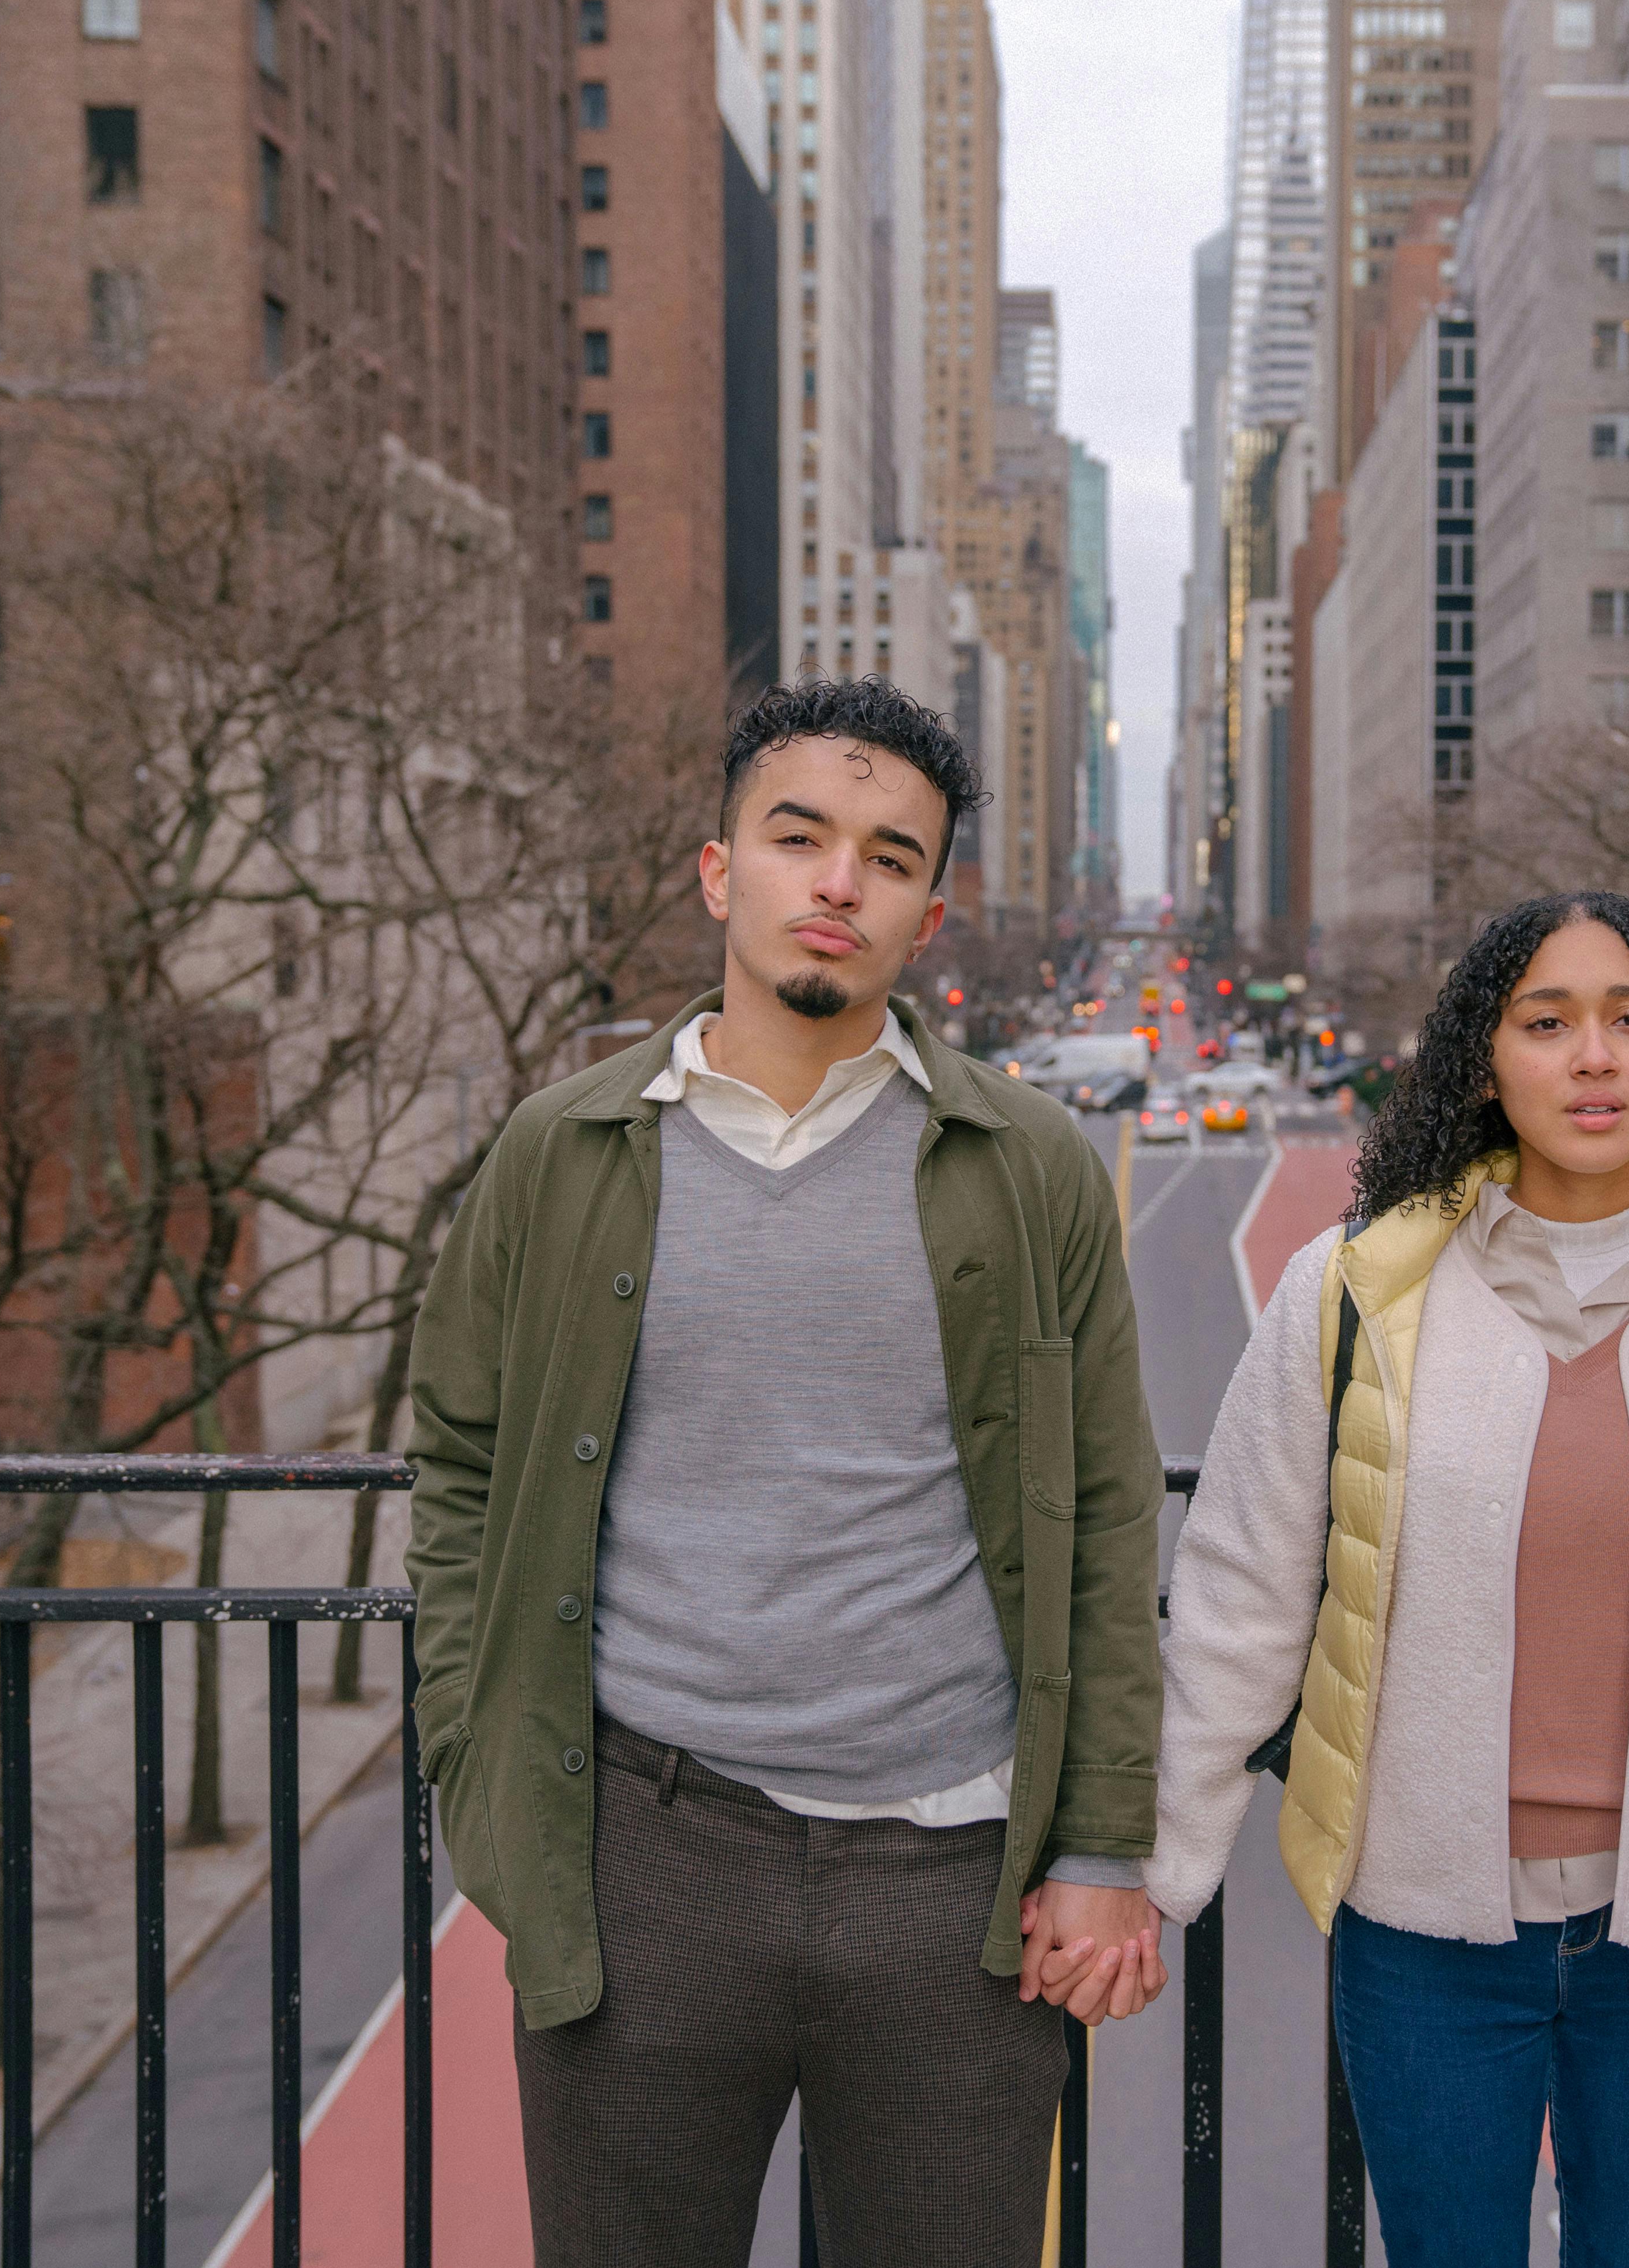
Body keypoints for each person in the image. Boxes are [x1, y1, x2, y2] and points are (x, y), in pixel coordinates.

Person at [405, 677, 1169, 2267]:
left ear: (929, 912)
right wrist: (484, 1792)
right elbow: (461, 1473)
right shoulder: (559, 1154)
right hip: (647, 1860)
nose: (839, 881)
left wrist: (1098, 1849)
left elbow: (1102, 1514)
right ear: (717, 870)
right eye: (799, 835)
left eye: (888, 856)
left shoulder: (1027, 1169)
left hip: (955, 1882)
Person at [1131, 890, 1629, 2264]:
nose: (1593, 1057)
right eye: (1546, 1023)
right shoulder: (1350, 1292)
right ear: (1487, 1062)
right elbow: (1242, 1599)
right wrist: (1149, 1877)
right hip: (1426, 1933)